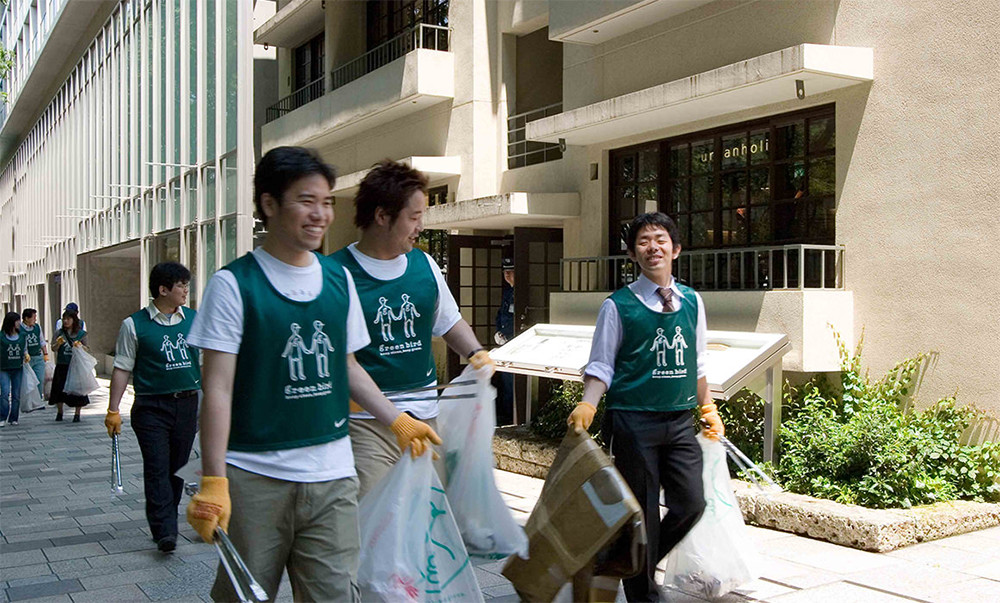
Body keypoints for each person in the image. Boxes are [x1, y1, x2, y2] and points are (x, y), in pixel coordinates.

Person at [184, 147, 441, 602]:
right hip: (256, 475)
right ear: (269, 204)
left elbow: (348, 368)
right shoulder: (234, 285)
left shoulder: (337, 280)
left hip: (334, 476)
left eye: (326, 202)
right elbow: (218, 390)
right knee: (244, 595)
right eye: (306, 201)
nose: (320, 214)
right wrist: (214, 479)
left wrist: (397, 420)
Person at [568, 212, 725, 602]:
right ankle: (643, 592)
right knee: (642, 516)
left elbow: (698, 361)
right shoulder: (618, 305)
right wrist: (588, 404)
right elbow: (602, 363)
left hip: (678, 419)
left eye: (660, 239)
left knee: (691, 502)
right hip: (633, 421)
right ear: (632, 254)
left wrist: (709, 408)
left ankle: (630, 558)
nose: (652, 247)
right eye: (643, 241)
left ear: (676, 249)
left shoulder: (691, 301)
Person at [329, 159, 495, 499]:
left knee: (427, 522)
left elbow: (448, 321)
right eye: (414, 217)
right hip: (364, 427)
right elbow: (341, 363)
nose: (421, 226)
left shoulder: (424, 265)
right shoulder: (335, 274)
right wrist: (394, 419)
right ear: (382, 216)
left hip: (425, 422)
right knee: (377, 522)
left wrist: (476, 352)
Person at [105, 262, 201, 553]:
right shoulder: (134, 325)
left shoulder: (195, 320)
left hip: (187, 404)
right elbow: (122, 368)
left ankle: (166, 519)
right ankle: (165, 530)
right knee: (157, 466)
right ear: (163, 289)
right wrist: (113, 409)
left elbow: (208, 363)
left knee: (177, 468)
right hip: (150, 407)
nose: (186, 290)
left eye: (187, 285)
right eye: (181, 285)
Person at [50, 309, 90, 422]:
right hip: (62, 364)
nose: (66, 321)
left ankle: (77, 414)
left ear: (74, 320)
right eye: (64, 319)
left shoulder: (81, 334)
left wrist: (80, 346)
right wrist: (58, 343)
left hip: (75, 365)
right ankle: (60, 412)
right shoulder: (59, 333)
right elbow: (53, 348)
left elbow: (87, 348)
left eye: (68, 319)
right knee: (59, 389)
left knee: (78, 391)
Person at [493, 257, 515, 425]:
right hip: (505, 341)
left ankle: (511, 415)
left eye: (510, 272)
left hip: (516, 341)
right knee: (505, 378)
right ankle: (506, 413)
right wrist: (499, 332)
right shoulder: (508, 292)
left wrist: (507, 333)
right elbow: (501, 314)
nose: (507, 275)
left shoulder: (519, 292)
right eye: (505, 272)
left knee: (512, 379)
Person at [1, 312, 29, 427]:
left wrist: (26, 354)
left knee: (16, 394)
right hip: (3, 368)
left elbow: (24, 348)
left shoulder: (22, 335)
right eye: (17, 321)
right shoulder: (1, 336)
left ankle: (14, 417)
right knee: (5, 392)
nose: (19, 323)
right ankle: (2, 416)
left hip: (18, 367)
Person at [20, 308, 49, 401]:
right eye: (34, 317)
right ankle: (28, 401)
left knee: (39, 380)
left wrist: (45, 354)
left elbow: (41, 341)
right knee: (27, 382)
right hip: (26, 359)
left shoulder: (37, 327)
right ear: (26, 318)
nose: (35, 319)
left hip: (38, 357)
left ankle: (38, 400)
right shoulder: (19, 328)